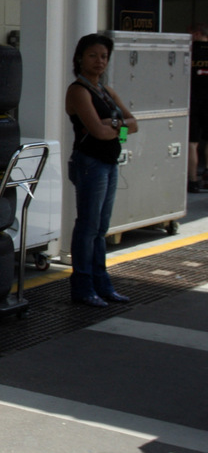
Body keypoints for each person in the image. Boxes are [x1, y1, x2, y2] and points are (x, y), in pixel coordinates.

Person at [65, 32, 137, 307]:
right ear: (80, 58)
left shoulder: (106, 91)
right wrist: (116, 126)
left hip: (108, 163)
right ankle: (83, 286)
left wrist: (116, 127)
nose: (99, 61)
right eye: (93, 55)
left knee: (101, 227)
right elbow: (96, 131)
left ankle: (101, 283)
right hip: (89, 164)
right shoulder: (78, 91)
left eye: (104, 56)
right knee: (88, 226)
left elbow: (132, 125)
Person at [188, 23, 208, 192]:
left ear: (196, 34)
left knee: (192, 143)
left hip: (192, 101)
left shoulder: (188, 51)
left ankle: (192, 180)